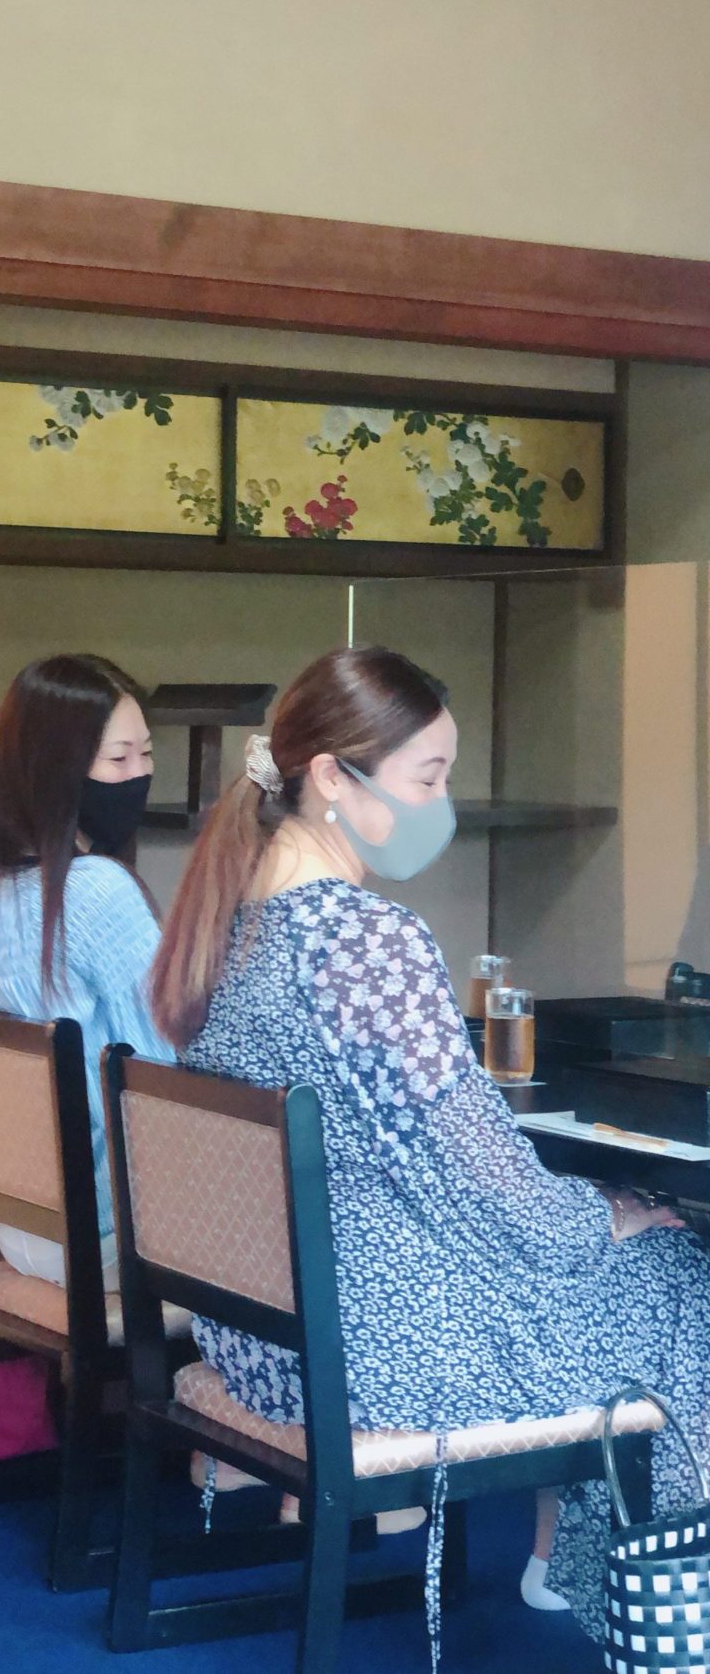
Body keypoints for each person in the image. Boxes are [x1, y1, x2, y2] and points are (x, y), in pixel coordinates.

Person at [150, 644, 707, 1641]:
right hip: (381, 1346)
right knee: (678, 1275)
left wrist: (583, 1219)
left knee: (617, 1258)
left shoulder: (229, 924)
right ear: (332, 776)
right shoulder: (365, 939)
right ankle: (650, 1598)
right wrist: (605, 1217)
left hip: (269, 1335)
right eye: (427, 779)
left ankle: (572, 1569)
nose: (440, 805)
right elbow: (485, 1173)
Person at [0, 653, 170, 1290]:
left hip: (25, 1233)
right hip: (116, 1239)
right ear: (56, 768)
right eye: (118, 759)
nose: (139, 775)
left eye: (146, 754)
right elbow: (168, 1077)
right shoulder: (97, 891)